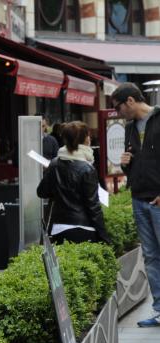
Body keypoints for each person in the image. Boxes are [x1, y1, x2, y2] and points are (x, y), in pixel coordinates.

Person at [111, 82, 160, 327]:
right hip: (139, 198)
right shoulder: (130, 128)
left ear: (130, 101)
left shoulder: (159, 119)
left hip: (158, 199)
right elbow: (134, 163)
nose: (118, 113)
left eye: (118, 107)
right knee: (150, 256)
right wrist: (125, 163)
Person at [36, 121, 109, 245]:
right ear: (85, 139)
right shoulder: (87, 168)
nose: (89, 138)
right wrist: (104, 235)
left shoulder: (54, 163)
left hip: (58, 227)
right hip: (84, 227)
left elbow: (41, 192)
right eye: (88, 135)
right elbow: (93, 206)